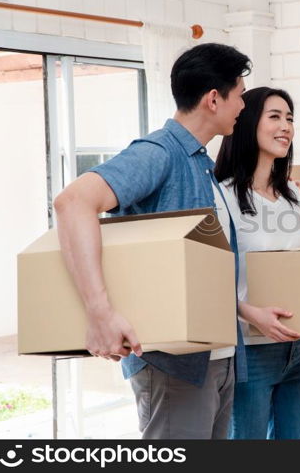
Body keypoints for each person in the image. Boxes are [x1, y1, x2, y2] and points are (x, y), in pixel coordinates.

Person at [53, 43, 251, 439]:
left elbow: (195, 269)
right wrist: (100, 313)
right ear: (214, 99)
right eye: (241, 95)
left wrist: (244, 311)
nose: (243, 106)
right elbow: (72, 202)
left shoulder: (201, 163)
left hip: (218, 355)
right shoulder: (158, 153)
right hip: (173, 363)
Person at [214, 87, 300, 439]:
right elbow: (207, 280)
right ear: (247, 124)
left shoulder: (293, 194)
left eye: (289, 118)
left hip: (297, 347)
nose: (285, 126)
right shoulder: (222, 195)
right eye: (274, 116)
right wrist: (249, 312)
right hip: (250, 350)